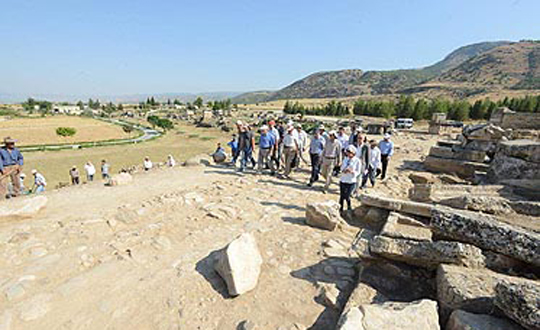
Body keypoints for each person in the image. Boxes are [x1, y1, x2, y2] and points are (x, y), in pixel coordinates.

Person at [339, 145, 361, 213]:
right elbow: (342, 167)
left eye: (349, 152)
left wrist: (352, 172)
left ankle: (349, 206)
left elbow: (358, 171)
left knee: (347, 195)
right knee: (342, 196)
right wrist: (344, 170)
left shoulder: (357, 161)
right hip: (343, 179)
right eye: (347, 152)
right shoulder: (345, 159)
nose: (348, 154)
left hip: (351, 180)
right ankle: (341, 208)